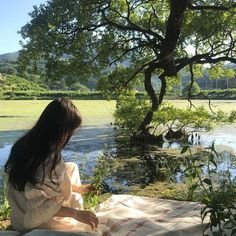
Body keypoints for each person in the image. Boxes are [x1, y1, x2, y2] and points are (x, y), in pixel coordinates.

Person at [4, 98, 98, 234]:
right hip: (36, 221)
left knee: (71, 167)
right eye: (70, 131)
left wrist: (79, 189)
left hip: (20, 213)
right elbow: (40, 206)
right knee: (88, 230)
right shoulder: (48, 158)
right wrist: (75, 214)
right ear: (61, 130)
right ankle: (70, 208)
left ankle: (70, 200)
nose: (70, 136)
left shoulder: (23, 143)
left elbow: (33, 183)